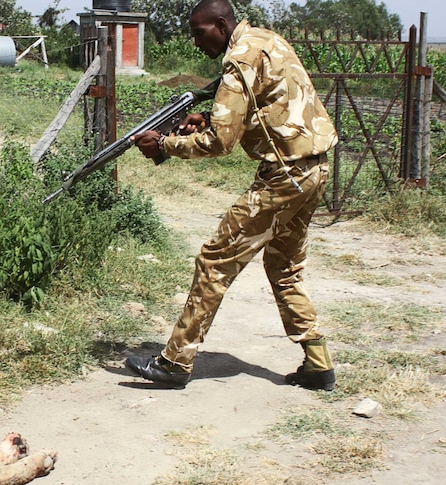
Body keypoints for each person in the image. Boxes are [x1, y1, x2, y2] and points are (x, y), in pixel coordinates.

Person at [126, 0, 339, 391]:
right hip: (314, 169)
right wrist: (207, 117)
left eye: (198, 31)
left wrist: (166, 144)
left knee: (214, 260)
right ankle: (318, 363)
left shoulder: (238, 59)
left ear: (221, 25)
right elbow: (266, 106)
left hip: (284, 177)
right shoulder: (266, 41)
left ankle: (175, 362)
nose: (195, 41)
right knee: (284, 266)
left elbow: (222, 142)